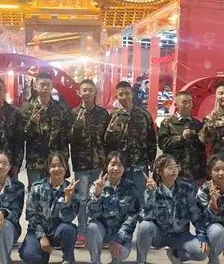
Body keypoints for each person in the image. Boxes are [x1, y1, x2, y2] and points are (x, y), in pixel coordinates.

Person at [132, 154, 205, 264]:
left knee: (201, 252)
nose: (174, 170)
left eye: (175, 166)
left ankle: (175, 254)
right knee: (144, 226)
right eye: (169, 167)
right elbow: (145, 216)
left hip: (180, 235)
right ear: (159, 171)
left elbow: (195, 214)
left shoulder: (186, 188)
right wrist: (150, 193)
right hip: (159, 235)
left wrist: (202, 235)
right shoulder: (153, 189)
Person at [19, 153, 80, 264]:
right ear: (47, 168)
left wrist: (67, 199)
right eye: (53, 166)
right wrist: (42, 236)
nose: (56, 169)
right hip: (39, 230)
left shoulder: (72, 189)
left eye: (60, 165)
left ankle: (67, 262)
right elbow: (31, 215)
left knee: (68, 229)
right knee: (29, 255)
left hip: (58, 231)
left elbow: (68, 219)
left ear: (66, 168)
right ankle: (43, 256)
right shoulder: (37, 187)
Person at [70, 79, 110, 248]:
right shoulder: (72, 113)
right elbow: (68, 139)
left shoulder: (103, 114)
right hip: (81, 164)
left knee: (100, 197)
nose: (87, 93)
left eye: (90, 90)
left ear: (95, 93)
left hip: (99, 164)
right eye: (84, 90)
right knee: (82, 198)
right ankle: (82, 231)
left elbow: (108, 139)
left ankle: (100, 230)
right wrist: (77, 126)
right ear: (79, 93)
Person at [86, 152, 139, 264]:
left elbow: (133, 215)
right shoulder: (96, 185)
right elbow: (92, 214)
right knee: (92, 227)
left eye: (120, 165)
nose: (116, 168)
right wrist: (97, 194)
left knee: (122, 254)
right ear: (106, 166)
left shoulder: (130, 187)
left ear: (124, 168)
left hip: (119, 231)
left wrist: (119, 239)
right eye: (112, 164)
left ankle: (116, 257)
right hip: (102, 230)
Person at [105, 81, 157, 208]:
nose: (124, 97)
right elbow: (107, 142)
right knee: (122, 197)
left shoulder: (143, 114)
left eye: (127, 93)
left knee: (141, 195)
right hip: (121, 165)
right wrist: (111, 131)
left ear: (132, 94)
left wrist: (152, 159)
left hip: (140, 162)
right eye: (121, 94)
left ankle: (142, 219)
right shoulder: (113, 116)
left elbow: (151, 138)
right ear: (116, 96)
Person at [21, 73, 72, 188]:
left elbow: (67, 136)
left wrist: (64, 159)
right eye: (42, 85)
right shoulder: (27, 109)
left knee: (57, 193)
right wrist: (32, 123)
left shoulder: (61, 108)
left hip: (56, 162)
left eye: (48, 85)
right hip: (35, 162)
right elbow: (22, 137)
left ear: (52, 86)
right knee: (36, 192)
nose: (45, 88)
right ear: (35, 86)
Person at [157, 91, 206, 181]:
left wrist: (202, 172)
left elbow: (201, 150)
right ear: (176, 105)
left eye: (190, 102)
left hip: (193, 173)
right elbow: (162, 144)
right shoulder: (167, 123)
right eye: (184, 102)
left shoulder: (197, 124)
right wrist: (181, 138)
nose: (188, 105)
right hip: (174, 172)